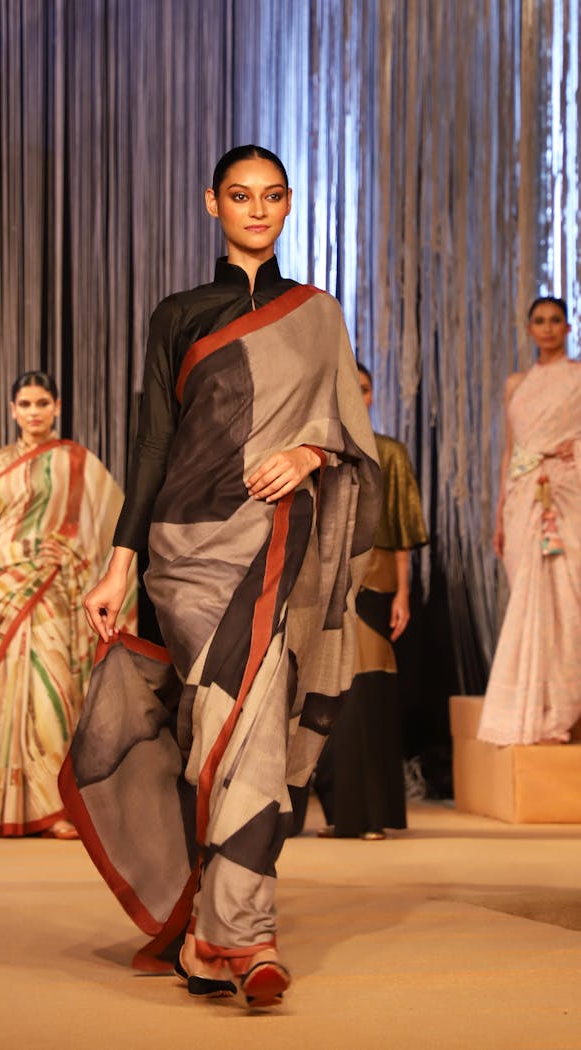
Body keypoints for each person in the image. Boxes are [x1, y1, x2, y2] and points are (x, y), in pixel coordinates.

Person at [59, 145, 381, 1008]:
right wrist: (119, 563)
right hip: (186, 549)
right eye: (241, 196)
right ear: (212, 204)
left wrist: (311, 450)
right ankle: (228, 932)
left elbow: (354, 435)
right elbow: (154, 443)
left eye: (273, 197)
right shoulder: (178, 314)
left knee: (249, 726)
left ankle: (229, 935)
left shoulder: (318, 314)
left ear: (286, 206)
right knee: (225, 730)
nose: (258, 210)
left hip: (278, 540)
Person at [0, 371, 136, 838]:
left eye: (41, 403)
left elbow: (112, 519)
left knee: (53, 694)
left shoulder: (75, 461)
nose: (33, 412)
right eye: (24, 404)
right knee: (6, 702)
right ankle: (10, 804)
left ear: (57, 407)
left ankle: (54, 808)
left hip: (55, 589)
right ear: (13, 410)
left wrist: (76, 556)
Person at [313, 363, 428, 839]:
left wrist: (402, 592)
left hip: (376, 582)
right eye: (347, 391)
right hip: (326, 581)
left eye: (362, 390)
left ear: (373, 395)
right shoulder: (318, 453)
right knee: (331, 697)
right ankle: (344, 813)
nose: (355, 398)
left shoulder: (390, 453)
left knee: (367, 696)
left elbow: (401, 528)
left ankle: (369, 815)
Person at [478, 296, 581, 745]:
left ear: (567, 326)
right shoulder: (516, 383)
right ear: (529, 329)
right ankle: (532, 708)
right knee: (528, 595)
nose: (547, 328)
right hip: (523, 497)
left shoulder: (578, 378)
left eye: (555, 320)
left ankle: (563, 711)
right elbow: (509, 451)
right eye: (539, 321)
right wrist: (500, 513)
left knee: (567, 602)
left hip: (566, 493)